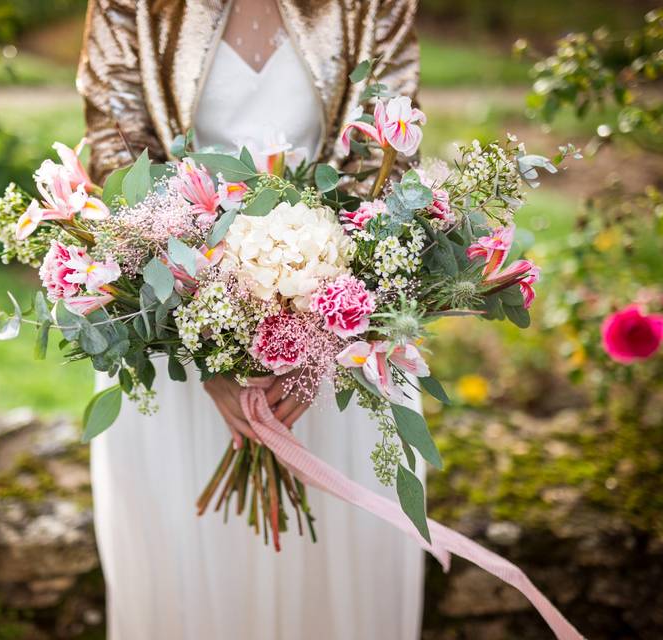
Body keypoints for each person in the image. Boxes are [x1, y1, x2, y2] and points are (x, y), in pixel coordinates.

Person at [77, 1, 422, 638]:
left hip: (335, 351)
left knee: (333, 586)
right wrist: (210, 346)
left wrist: (311, 325)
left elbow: (386, 158)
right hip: (174, 344)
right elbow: (115, 152)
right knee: (191, 586)